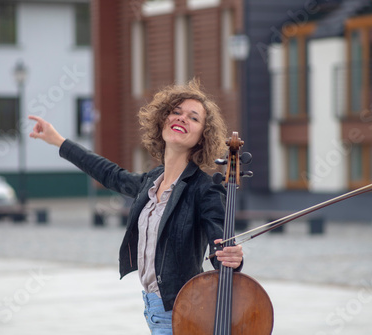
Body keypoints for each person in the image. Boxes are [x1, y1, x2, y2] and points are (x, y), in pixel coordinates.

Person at [28, 79, 243, 334]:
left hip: (183, 310)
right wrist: (59, 141)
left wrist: (232, 258)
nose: (183, 118)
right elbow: (109, 174)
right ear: (163, 120)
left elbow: (221, 248)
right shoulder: (151, 181)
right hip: (153, 309)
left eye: (193, 118)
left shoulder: (205, 189)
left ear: (201, 137)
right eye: (176, 112)